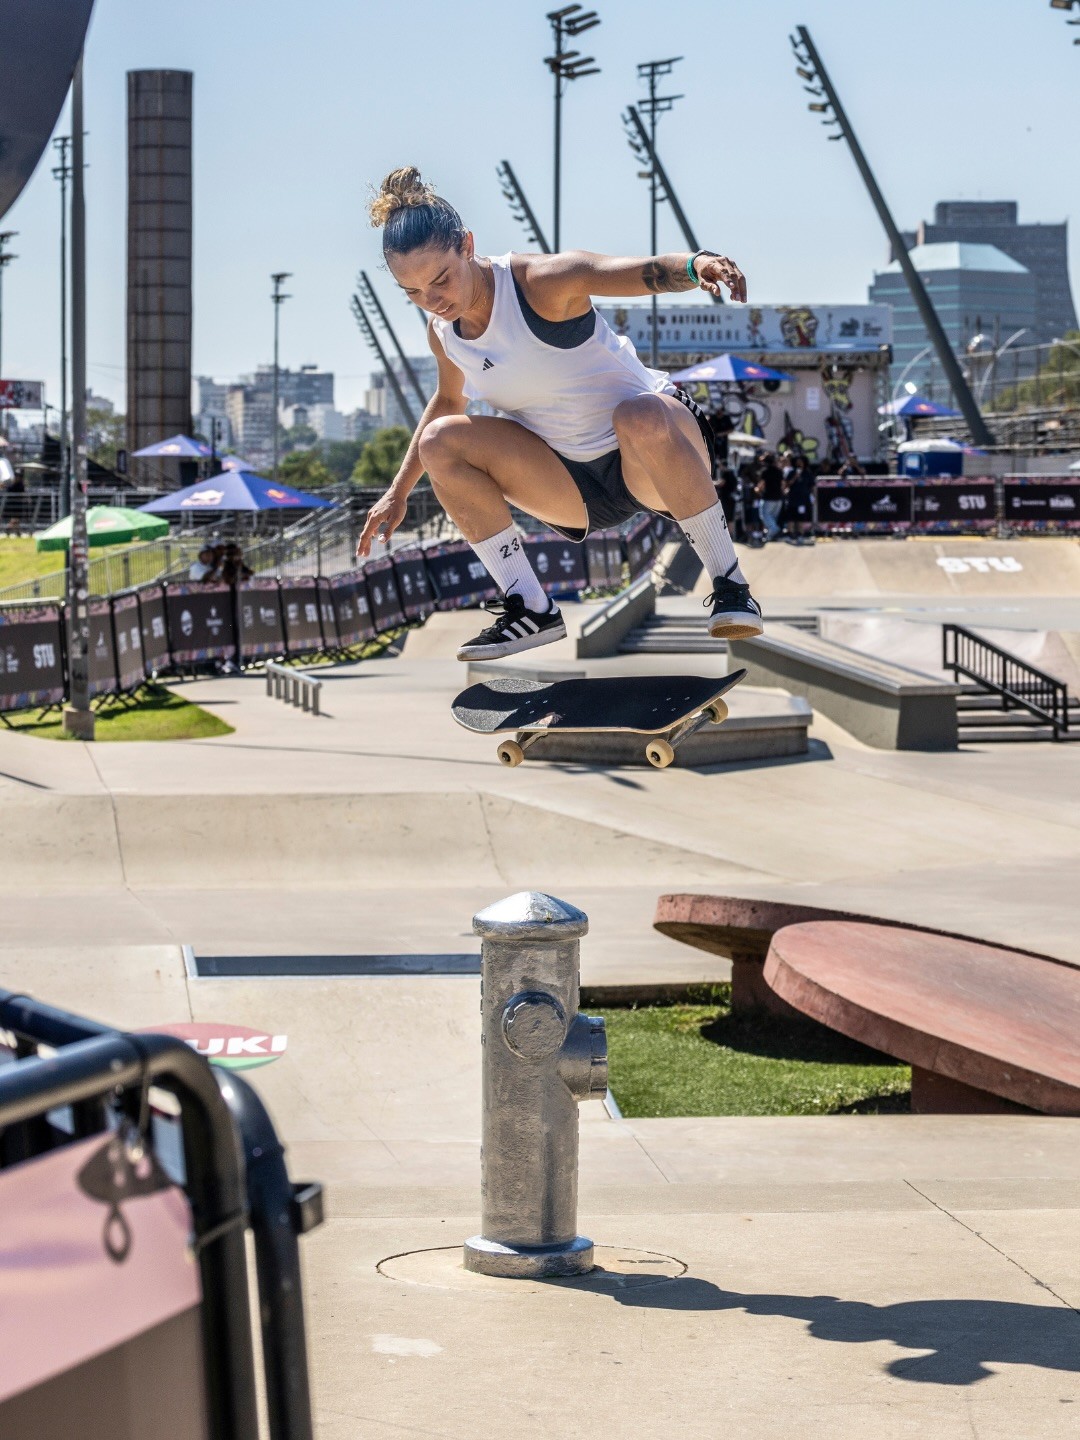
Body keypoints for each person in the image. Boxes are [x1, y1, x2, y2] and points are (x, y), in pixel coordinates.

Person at [356, 166, 763, 660]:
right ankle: (529, 606)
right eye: (413, 293)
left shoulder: (538, 283)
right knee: (440, 439)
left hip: (658, 452)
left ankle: (731, 585)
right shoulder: (444, 334)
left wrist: (698, 264)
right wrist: (398, 492)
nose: (433, 302)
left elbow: (634, 271)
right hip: (574, 488)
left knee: (636, 415)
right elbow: (447, 401)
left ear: (467, 245)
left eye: (440, 281)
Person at [758, 451, 785, 542]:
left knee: (765, 516)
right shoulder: (779, 471)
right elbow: (783, 485)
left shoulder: (765, 471)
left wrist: (757, 489)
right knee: (773, 517)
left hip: (768, 497)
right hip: (779, 498)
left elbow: (760, 485)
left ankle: (775, 529)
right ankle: (769, 537)